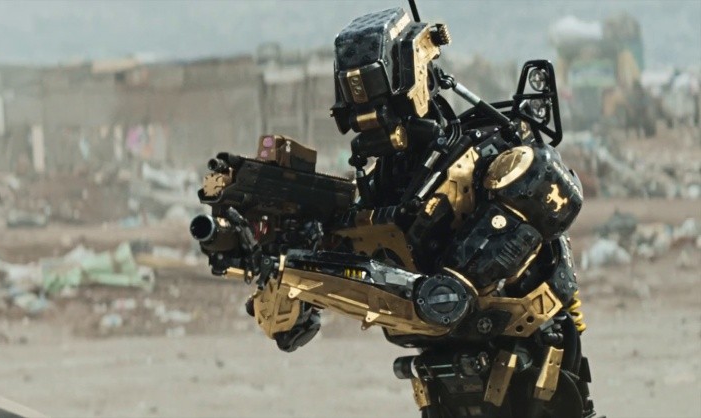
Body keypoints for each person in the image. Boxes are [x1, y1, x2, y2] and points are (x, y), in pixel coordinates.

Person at [197, 6, 599, 418]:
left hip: (529, 356)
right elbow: (294, 327)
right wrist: (278, 267)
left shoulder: (488, 152)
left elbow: (445, 298)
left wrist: (304, 271)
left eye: (375, 91)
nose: (369, 112)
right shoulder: (380, 188)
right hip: (446, 374)